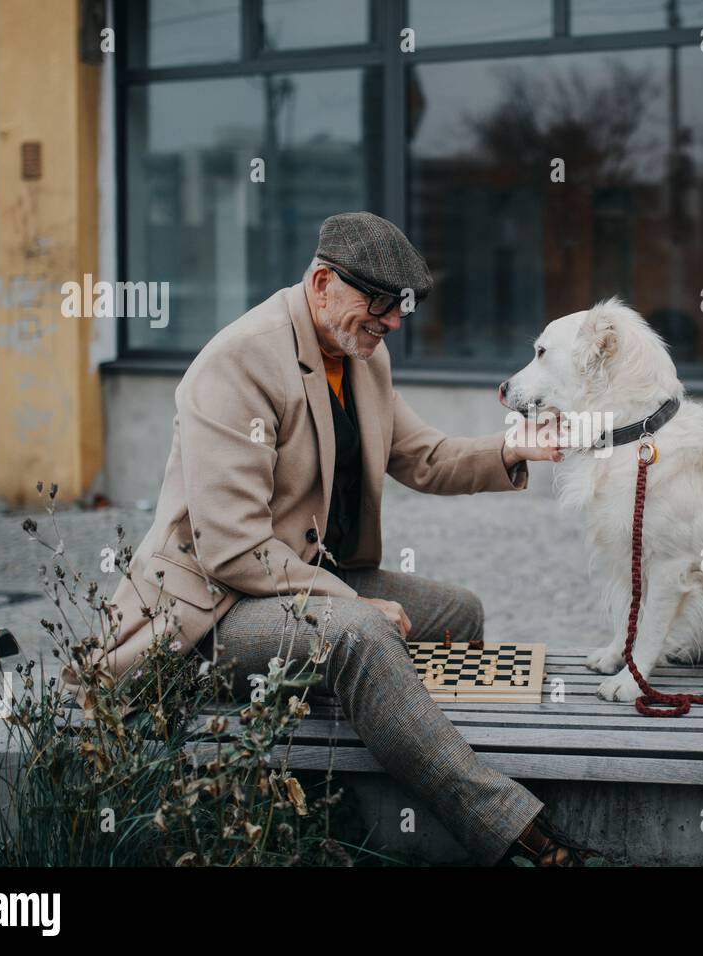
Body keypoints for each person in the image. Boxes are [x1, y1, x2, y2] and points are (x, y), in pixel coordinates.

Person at [101, 211, 597, 866]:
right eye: (381, 304)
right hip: (212, 613)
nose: (393, 322)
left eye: (399, 308)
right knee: (357, 634)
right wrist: (349, 606)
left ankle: (402, 744)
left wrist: (512, 446)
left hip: (305, 577)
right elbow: (232, 549)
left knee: (459, 612)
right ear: (323, 283)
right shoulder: (236, 365)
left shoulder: (361, 355)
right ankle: (505, 825)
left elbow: (424, 456)